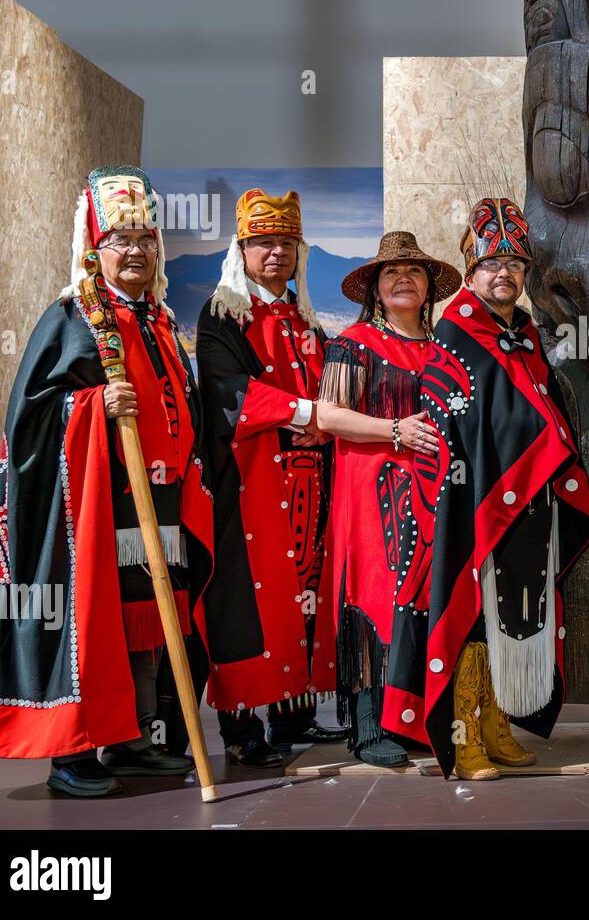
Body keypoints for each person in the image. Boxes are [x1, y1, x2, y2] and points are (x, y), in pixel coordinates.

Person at [0, 166, 213, 797]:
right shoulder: (73, 316)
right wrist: (90, 408)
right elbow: (29, 419)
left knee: (147, 627)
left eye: (144, 238)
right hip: (93, 510)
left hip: (158, 502)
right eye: (119, 239)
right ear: (94, 248)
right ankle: (73, 753)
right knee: (95, 625)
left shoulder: (159, 320)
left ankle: (133, 738)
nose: (134, 250)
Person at [413, 198, 589, 781]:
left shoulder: (521, 333)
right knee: (470, 612)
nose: (504, 275)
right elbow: (458, 421)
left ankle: (496, 722)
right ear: (470, 271)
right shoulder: (456, 330)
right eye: (492, 263)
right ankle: (464, 732)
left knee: (510, 610)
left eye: (515, 264)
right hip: (475, 498)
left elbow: (534, 407)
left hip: (528, 497)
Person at [194, 188, 345, 768]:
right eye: (262, 242)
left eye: (285, 242)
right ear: (242, 248)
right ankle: (241, 723)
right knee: (247, 593)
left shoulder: (306, 319)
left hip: (308, 481)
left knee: (303, 589)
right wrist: (305, 415)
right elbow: (228, 391)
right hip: (249, 481)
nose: (275, 252)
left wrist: (325, 426)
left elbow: (330, 391)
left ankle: (294, 715)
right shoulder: (221, 314)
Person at [315, 231, 462, 769]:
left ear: (429, 289)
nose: (403, 279)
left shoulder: (445, 346)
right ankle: (371, 723)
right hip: (372, 484)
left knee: (426, 596)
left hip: (434, 490)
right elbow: (328, 415)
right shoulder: (354, 342)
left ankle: (416, 717)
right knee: (378, 596)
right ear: (375, 289)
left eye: (415, 272)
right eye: (391, 272)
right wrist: (394, 430)